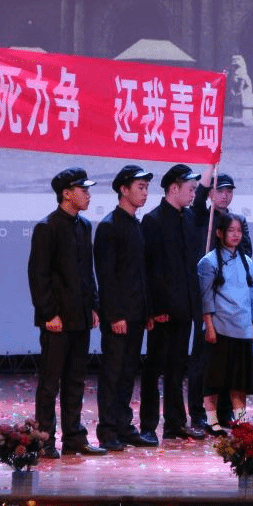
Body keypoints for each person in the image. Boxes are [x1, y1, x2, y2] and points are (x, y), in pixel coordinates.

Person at [28, 167, 106, 458]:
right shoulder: (47, 227)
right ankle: (44, 440)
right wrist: (49, 313)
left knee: (75, 380)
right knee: (50, 383)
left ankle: (74, 437)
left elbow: (88, 272)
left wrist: (94, 306)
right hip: (57, 319)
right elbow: (38, 275)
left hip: (80, 316)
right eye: (83, 190)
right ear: (66, 193)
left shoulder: (83, 226)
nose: (88, 195)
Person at [139, 164, 206, 443]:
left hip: (185, 307)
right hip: (163, 310)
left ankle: (175, 423)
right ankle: (148, 425)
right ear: (173, 188)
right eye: (190, 189)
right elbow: (149, 269)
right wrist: (155, 309)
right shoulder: (153, 221)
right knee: (155, 367)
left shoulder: (188, 218)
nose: (193, 194)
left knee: (178, 367)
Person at [93, 165, 158, 451]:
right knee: (113, 373)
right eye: (140, 187)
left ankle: (123, 425)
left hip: (136, 314)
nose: (145, 193)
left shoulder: (135, 225)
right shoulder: (109, 226)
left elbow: (141, 274)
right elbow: (106, 276)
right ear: (123, 189)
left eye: (146, 188)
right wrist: (115, 314)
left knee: (128, 372)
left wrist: (147, 311)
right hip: (119, 316)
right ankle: (107, 430)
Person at [190, 165, 252, 432]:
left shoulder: (238, 221)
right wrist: (208, 169)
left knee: (229, 363)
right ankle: (200, 413)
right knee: (204, 359)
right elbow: (198, 200)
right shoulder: (203, 216)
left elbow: (246, 251)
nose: (225, 196)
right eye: (220, 191)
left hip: (232, 302)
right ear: (211, 193)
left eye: (229, 191)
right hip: (208, 296)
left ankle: (227, 413)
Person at [198, 213, 253, 433]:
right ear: (219, 233)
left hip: (242, 329)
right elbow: (206, 297)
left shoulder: (247, 262)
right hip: (220, 327)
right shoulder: (208, 262)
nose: (236, 235)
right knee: (214, 379)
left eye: (239, 231)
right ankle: (212, 420)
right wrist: (209, 326)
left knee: (239, 381)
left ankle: (240, 421)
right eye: (231, 231)